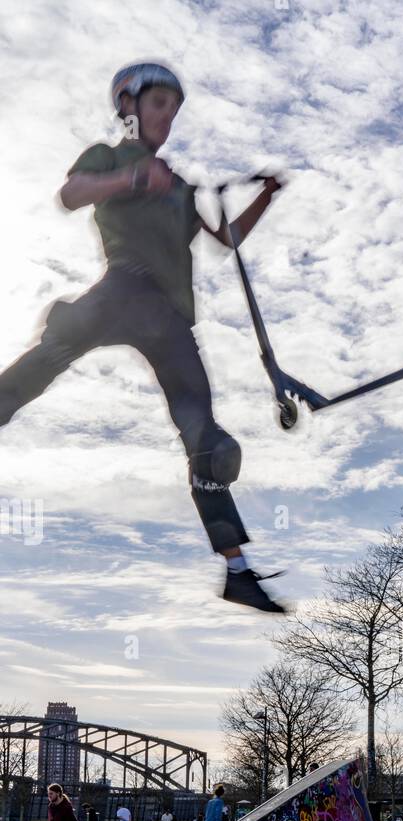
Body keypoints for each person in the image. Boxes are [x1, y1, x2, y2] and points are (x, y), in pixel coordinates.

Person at [0, 62, 286, 613]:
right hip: (123, 288)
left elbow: (224, 239)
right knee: (53, 353)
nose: (168, 118)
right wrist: (132, 179)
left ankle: (237, 571)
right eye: (159, 105)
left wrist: (266, 196)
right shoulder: (112, 157)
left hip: (171, 320)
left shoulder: (177, 184)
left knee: (211, 445)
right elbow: (72, 193)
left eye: (174, 110)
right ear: (128, 107)